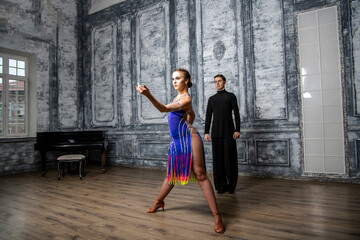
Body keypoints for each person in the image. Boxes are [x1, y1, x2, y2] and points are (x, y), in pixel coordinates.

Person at [135, 68, 225, 234]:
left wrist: (148, 95)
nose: (174, 81)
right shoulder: (179, 97)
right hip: (177, 141)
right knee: (172, 175)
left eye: (177, 78)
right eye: (172, 79)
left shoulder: (185, 99)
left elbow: (163, 109)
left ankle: (217, 216)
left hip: (190, 139)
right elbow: (191, 114)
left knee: (201, 175)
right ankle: (159, 202)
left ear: (186, 81)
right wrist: (187, 121)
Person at [204, 74, 240, 194]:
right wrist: (206, 132)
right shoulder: (212, 99)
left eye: (219, 81)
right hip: (215, 133)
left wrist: (237, 129)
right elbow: (208, 116)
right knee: (218, 161)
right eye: (215, 82)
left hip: (229, 133)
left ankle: (231, 186)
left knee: (230, 160)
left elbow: (236, 114)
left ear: (224, 82)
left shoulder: (231, 96)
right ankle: (221, 186)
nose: (217, 83)